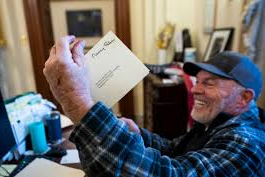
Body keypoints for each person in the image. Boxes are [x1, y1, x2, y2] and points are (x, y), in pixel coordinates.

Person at [43, 36, 265, 176]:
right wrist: (140, 133)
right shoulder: (217, 121)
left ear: (244, 97)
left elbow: (162, 173)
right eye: (198, 81)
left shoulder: (246, 143)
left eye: (209, 83)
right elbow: (175, 150)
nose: (196, 89)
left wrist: (76, 98)